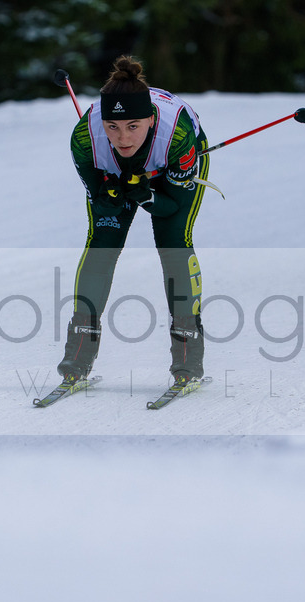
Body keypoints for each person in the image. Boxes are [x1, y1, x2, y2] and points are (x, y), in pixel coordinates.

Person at [56, 55, 209, 384]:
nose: (123, 138)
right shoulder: (84, 140)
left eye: (133, 126)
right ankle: (78, 354)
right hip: (115, 170)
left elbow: (171, 207)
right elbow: (102, 203)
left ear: (150, 120)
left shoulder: (178, 136)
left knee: (173, 242)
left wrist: (146, 196)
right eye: (112, 126)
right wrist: (111, 195)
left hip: (170, 164)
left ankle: (188, 358)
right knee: (102, 244)